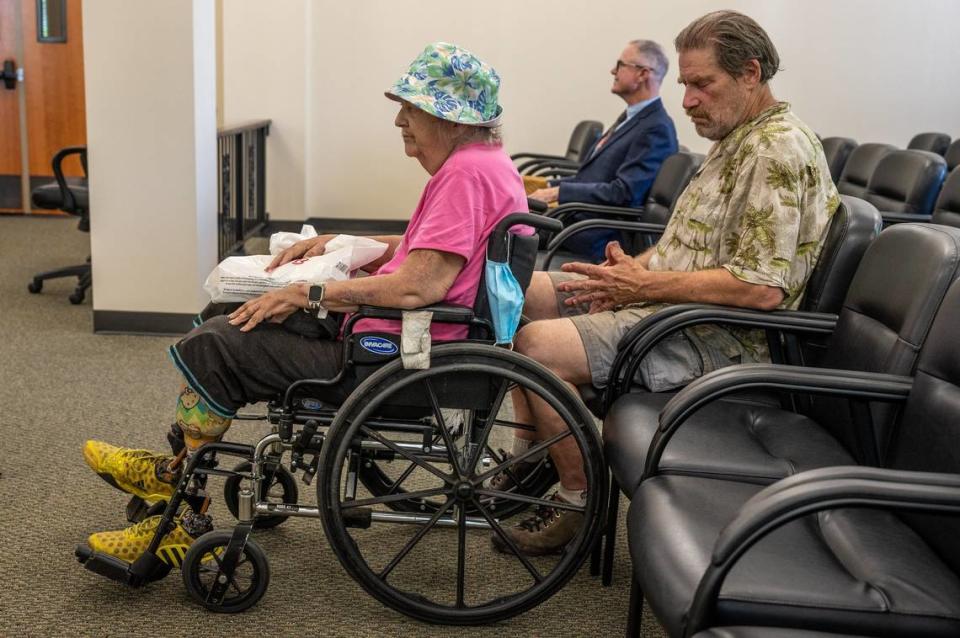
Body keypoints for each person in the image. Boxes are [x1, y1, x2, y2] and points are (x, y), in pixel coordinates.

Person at [79, 41, 528, 564]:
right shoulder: (482, 165)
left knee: (221, 344)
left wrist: (310, 291)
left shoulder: (465, 176)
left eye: (412, 108)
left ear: (451, 119)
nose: (400, 120)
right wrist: (339, 244)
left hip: (401, 354)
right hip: (405, 337)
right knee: (225, 315)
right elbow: (429, 256)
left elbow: (417, 287)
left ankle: (183, 511)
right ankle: (178, 467)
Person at [491, 10, 841, 556]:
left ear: (750, 74)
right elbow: (686, 243)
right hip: (670, 306)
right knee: (520, 290)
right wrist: (631, 272)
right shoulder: (736, 137)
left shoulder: (777, 150)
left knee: (533, 345)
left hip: (718, 337)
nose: (688, 100)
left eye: (703, 84)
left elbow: (761, 291)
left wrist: (646, 288)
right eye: (685, 84)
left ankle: (578, 502)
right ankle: (533, 456)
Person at [525, 39, 679, 260]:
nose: (613, 71)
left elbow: (624, 193)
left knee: (502, 234)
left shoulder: (656, 128)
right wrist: (546, 185)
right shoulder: (631, 118)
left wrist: (558, 192)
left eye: (620, 65)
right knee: (500, 223)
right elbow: (592, 178)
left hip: (593, 237)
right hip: (574, 222)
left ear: (643, 74)